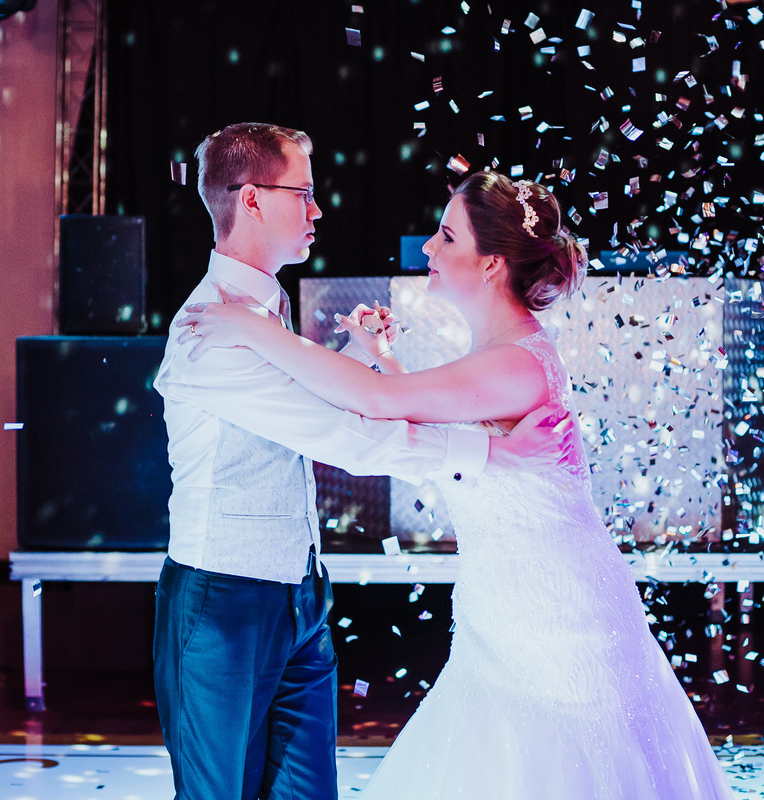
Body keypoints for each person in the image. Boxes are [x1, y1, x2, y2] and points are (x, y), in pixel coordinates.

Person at [178, 169, 735, 798]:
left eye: (445, 237)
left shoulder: (516, 361)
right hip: (501, 605)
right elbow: (405, 409)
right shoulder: (499, 351)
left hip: (551, 611)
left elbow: (382, 402)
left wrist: (253, 329)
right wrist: (378, 353)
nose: (427, 249)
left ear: (492, 264)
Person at [152, 125, 574, 800]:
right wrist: (492, 452)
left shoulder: (262, 308)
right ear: (254, 200)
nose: (318, 211)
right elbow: (340, 437)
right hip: (223, 597)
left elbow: (295, 411)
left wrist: (356, 355)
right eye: (305, 194)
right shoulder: (210, 328)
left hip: (298, 589)